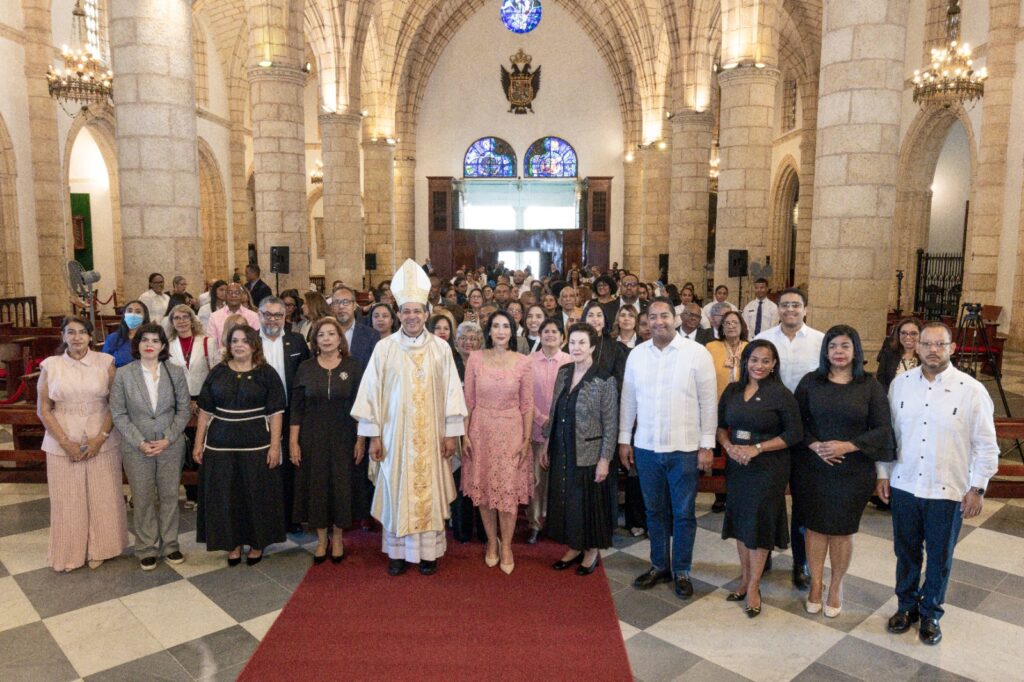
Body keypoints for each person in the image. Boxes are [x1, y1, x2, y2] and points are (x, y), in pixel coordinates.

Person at [876, 322, 999, 646]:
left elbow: (987, 445)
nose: (933, 350)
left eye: (940, 344)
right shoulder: (900, 385)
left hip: (948, 489)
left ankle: (930, 612)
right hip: (905, 483)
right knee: (905, 552)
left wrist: (978, 488)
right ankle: (906, 606)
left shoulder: (971, 390)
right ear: (916, 348)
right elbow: (889, 435)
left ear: (952, 348)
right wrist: (883, 474)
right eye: (927, 344)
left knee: (940, 557)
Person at [351, 259, 469, 576]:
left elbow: (451, 394)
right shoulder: (385, 348)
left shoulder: (441, 349)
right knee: (396, 489)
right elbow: (371, 394)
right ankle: (397, 553)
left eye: (418, 311)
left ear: (427, 313)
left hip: (431, 437)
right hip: (394, 437)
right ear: (398, 314)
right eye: (407, 311)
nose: (413, 316)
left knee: (428, 488)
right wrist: (373, 435)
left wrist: (451, 434)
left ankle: (428, 553)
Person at [619, 299, 718, 600]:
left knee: (684, 512)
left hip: (684, 448)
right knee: (654, 511)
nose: (659, 321)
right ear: (645, 322)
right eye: (653, 317)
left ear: (675, 318)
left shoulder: (697, 354)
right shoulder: (637, 355)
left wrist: (707, 444)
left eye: (664, 316)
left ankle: (682, 569)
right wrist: (625, 438)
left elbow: (708, 401)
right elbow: (629, 399)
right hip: (647, 446)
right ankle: (659, 564)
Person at [793, 325, 894, 617]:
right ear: (826, 351)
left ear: (855, 351)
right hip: (813, 468)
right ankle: (816, 583)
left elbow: (882, 430)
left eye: (845, 346)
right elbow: (797, 423)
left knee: (842, 531)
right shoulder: (811, 382)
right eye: (833, 346)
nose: (838, 351)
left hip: (853, 470)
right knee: (814, 528)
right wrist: (815, 447)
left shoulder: (869, 386)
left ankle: (836, 586)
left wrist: (847, 446)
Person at [716, 340, 803, 617]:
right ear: (746, 361)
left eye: (766, 360)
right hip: (738, 464)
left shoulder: (781, 394)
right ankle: (744, 578)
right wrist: (729, 448)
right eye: (754, 360)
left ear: (774, 364)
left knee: (760, 522)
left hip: (768, 466)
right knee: (742, 521)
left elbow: (793, 434)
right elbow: (720, 427)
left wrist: (757, 448)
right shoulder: (733, 389)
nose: (759, 365)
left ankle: (754, 586)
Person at [37, 316, 129, 572]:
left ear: (91, 336)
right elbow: (44, 408)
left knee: (104, 496)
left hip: (102, 435)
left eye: (82, 332)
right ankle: (70, 552)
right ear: (63, 336)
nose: (76, 337)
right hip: (61, 437)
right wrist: (65, 443)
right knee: (68, 499)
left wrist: (101, 437)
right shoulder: (50, 365)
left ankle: (103, 548)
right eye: (71, 332)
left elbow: (115, 403)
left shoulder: (106, 362)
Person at [193, 325, 287, 566]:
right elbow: (205, 410)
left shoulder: (267, 374)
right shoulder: (218, 372)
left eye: (245, 340)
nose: (239, 345)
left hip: (257, 446)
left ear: (254, 344)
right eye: (234, 340)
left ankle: (256, 543)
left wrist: (275, 446)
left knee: (254, 495)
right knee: (226, 496)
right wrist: (198, 443)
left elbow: (276, 412)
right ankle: (231, 543)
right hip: (219, 446)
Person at [754, 287, 824, 589]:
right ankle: (762, 553)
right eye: (785, 305)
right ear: (777, 309)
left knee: (804, 500)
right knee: (768, 497)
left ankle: (801, 562)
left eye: (796, 305)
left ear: (805, 309)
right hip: (770, 430)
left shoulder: (821, 341)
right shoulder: (764, 340)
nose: (790, 310)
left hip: (807, 431)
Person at [109, 323, 192, 570]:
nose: (149, 344)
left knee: (169, 496)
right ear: (138, 345)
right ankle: (146, 547)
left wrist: (168, 437)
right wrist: (140, 442)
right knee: (143, 498)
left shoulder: (174, 372)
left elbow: (184, 409)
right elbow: (119, 413)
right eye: (145, 340)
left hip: (170, 444)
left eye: (155, 341)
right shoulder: (124, 374)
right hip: (137, 446)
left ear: (163, 346)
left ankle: (170, 545)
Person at [462, 310, 534, 574]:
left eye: (506, 326)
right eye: (496, 326)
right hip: (480, 429)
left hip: (511, 430)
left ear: (512, 332)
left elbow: (527, 404)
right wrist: (464, 434)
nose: (501, 331)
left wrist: (527, 439)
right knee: (484, 489)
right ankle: (492, 541)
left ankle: (507, 546)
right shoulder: (476, 359)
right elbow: (468, 400)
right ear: (489, 331)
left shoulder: (523, 362)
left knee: (507, 490)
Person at [544, 323, 618, 575]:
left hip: (589, 452)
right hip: (561, 446)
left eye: (582, 343)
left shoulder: (604, 379)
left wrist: (605, 459)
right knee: (567, 501)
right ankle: (574, 546)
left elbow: (610, 423)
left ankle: (590, 551)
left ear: (592, 347)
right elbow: (555, 410)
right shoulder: (564, 372)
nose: (576, 348)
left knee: (586, 503)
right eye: (572, 342)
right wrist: (546, 444)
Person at [290, 317, 363, 564]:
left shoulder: (353, 367)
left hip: (345, 436)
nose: (327, 339)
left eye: (332, 334)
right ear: (315, 340)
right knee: (317, 486)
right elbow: (296, 408)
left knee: (342, 485)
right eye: (321, 335)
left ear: (339, 338)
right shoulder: (306, 368)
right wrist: (293, 442)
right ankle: (322, 539)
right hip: (312, 437)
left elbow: (362, 406)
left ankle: (339, 537)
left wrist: (361, 440)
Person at [259, 297, 312, 534]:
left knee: (290, 465)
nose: (272, 319)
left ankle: (291, 517)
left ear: (285, 317)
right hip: (259, 415)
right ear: (259, 315)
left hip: (291, 412)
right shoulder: (250, 341)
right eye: (267, 314)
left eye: (277, 315)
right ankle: (265, 517)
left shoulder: (297, 341)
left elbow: (305, 378)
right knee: (264, 465)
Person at [526, 317, 571, 544]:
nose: (550, 335)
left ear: (563, 337)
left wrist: (554, 421)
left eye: (555, 331)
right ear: (540, 335)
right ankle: (534, 524)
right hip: (536, 428)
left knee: (560, 480)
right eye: (546, 331)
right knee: (535, 479)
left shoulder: (571, 361)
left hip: (562, 431)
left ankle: (558, 524)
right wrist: (542, 419)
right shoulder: (528, 361)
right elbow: (524, 396)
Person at [166, 304, 213, 510]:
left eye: (185, 317)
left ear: (192, 319)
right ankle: (191, 494)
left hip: (203, 398)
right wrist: (184, 401)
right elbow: (166, 375)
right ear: (172, 322)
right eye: (177, 318)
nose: (182, 321)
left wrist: (200, 400)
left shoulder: (206, 342)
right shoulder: (167, 344)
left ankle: (205, 493)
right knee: (184, 447)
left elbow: (214, 373)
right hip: (178, 400)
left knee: (202, 444)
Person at [705, 310, 749, 513]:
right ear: (721, 327)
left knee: (739, 446)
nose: (731, 326)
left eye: (735, 322)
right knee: (718, 449)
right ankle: (720, 495)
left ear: (742, 326)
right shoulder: (711, 347)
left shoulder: (749, 348)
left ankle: (739, 492)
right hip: (717, 406)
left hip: (744, 408)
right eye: (727, 323)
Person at [206, 282, 260, 353]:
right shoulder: (214, 316)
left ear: (242, 296)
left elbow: (256, 342)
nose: (233, 295)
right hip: (222, 358)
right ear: (225, 296)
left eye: (237, 293)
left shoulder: (253, 316)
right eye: (230, 293)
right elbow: (211, 343)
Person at [876, 317, 924, 390]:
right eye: (903, 333)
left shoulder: (926, 357)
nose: (908, 337)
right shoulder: (889, 354)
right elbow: (881, 381)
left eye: (913, 333)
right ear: (898, 334)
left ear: (921, 335)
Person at [102, 300, 151, 368]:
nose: (133, 314)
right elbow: (104, 363)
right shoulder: (113, 338)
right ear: (124, 315)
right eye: (129, 311)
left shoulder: (151, 339)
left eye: (138, 312)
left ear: (144, 317)